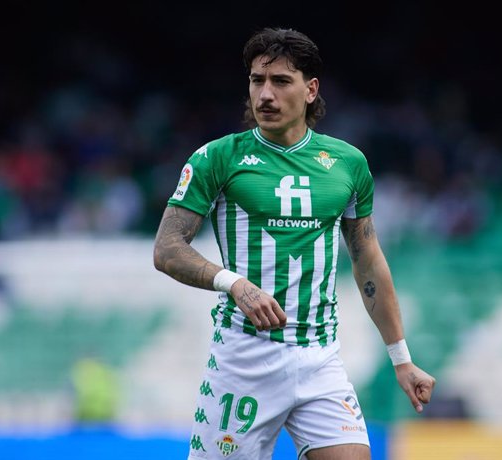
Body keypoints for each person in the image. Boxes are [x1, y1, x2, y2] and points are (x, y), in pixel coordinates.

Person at [153, 27, 435, 460]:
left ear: (310, 89)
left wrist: (401, 357)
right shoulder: (217, 158)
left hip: (319, 356)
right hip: (244, 358)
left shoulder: (347, 163)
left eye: (281, 81)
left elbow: (367, 260)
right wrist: (234, 284)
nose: (265, 94)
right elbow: (168, 248)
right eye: (256, 80)